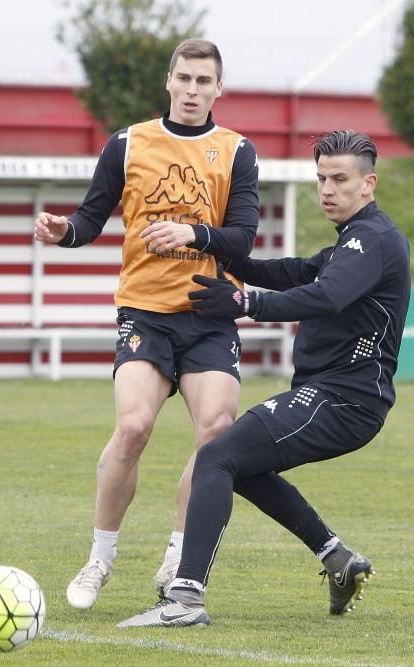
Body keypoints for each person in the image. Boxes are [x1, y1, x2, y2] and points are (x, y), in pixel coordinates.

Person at [117, 129, 411, 627]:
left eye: (340, 179)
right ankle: (338, 559)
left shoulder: (374, 239)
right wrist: (209, 242)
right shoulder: (353, 241)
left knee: (216, 457)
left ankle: (185, 599)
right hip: (334, 397)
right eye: (321, 179)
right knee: (242, 468)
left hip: (343, 399)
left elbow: (325, 296)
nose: (327, 189)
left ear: (369, 185)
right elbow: (293, 271)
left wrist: (245, 303)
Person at [33, 38, 260, 609]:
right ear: (168, 80)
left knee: (216, 432)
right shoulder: (128, 143)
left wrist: (193, 234)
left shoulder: (236, 152)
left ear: (218, 89)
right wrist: (66, 234)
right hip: (145, 314)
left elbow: (242, 239)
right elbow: (91, 217)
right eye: (184, 78)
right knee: (133, 427)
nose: (191, 90)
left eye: (203, 81)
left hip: (209, 315)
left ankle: (180, 553)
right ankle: (99, 557)